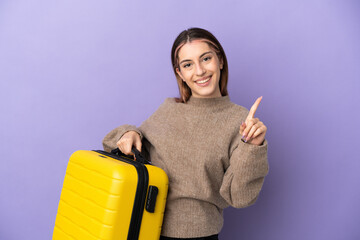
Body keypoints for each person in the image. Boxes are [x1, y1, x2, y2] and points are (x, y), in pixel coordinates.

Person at [103, 27, 269, 240]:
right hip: (142, 228)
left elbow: (240, 197)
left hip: (198, 235)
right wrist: (129, 132)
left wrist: (252, 148)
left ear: (220, 61)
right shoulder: (169, 109)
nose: (199, 71)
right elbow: (125, 148)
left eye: (206, 59)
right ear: (180, 73)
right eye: (188, 65)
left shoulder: (240, 121)